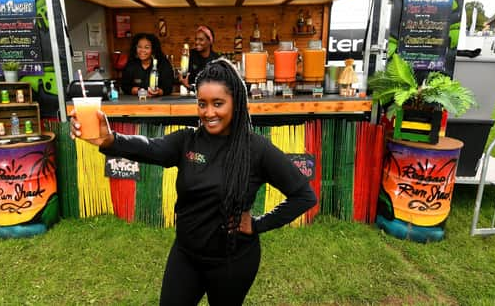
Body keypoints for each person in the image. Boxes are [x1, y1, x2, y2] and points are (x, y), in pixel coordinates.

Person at [70, 58, 316, 306]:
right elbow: (149, 147)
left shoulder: (257, 150)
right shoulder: (187, 142)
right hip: (186, 255)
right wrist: (110, 139)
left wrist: (258, 224)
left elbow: (303, 196)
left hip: (232, 262)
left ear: (236, 103)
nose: (209, 113)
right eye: (202, 104)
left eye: (218, 103)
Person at [121, 32, 174, 97]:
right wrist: (139, 91)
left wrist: (158, 92)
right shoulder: (131, 64)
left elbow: (168, 88)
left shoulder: (162, 64)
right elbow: (125, 86)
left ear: (153, 49)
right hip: (136, 102)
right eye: (139, 47)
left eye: (147, 47)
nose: (142, 50)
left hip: (159, 103)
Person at [178, 25, 219, 91]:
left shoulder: (216, 60)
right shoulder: (190, 55)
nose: (197, 42)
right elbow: (184, 75)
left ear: (210, 41)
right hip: (189, 96)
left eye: (201, 40)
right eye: (196, 39)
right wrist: (183, 60)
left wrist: (189, 86)